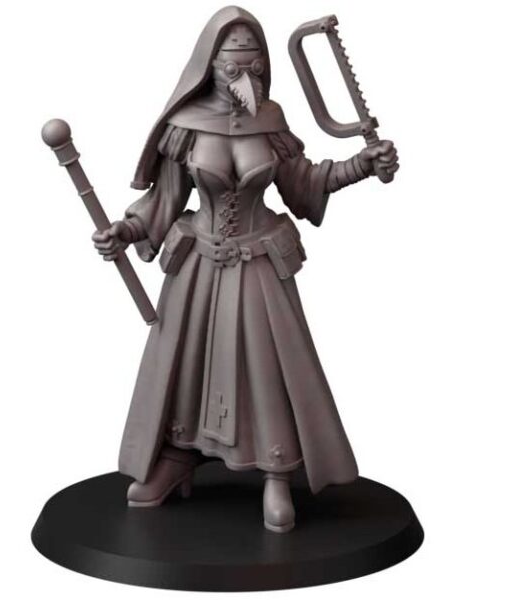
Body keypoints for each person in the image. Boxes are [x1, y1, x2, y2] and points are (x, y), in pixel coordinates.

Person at [92, 6, 398, 533]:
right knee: (186, 365)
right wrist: (126, 230)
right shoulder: (185, 128)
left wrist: (362, 167)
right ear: (209, 65)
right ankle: (178, 456)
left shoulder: (270, 121)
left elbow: (304, 183)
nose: (245, 76)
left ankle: (276, 471)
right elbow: (163, 201)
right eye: (233, 66)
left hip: (258, 264)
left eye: (254, 65)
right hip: (198, 269)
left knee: (266, 367)